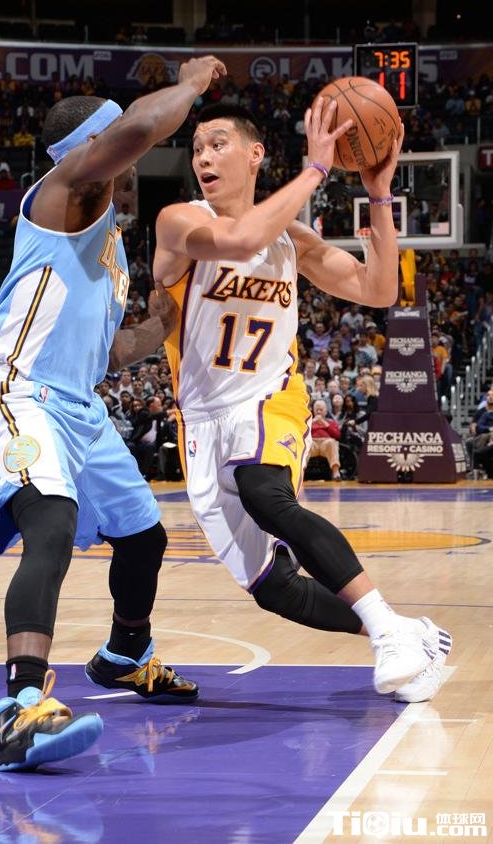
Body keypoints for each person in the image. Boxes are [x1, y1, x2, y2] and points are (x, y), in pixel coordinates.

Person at [0, 55, 227, 772]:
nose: (131, 165)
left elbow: (110, 353)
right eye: (118, 145)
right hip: (16, 389)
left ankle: (125, 654)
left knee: (143, 537)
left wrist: (162, 322)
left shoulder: (107, 244)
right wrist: (192, 83)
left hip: (79, 405)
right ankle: (19, 709)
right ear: (92, 148)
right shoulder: (61, 193)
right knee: (52, 521)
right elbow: (138, 128)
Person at [154, 101, 451, 706]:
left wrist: (378, 195)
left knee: (265, 493)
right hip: (201, 419)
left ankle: (387, 629)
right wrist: (316, 168)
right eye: (197, 148)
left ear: (255, 155)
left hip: (269, 397)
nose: (203, 156)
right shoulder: (179, 221)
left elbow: (379, 289)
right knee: (275, 588)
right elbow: (242, 237)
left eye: (217, 143)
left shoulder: (292, 240)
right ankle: (405, 632)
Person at [308, 398, 341, 481]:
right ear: (313, 411)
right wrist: (312, 422)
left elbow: (337, 435)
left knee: (332, 442)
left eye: (321, 410)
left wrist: (325, 424)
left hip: (326, 443)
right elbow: (301, 433)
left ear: (326, 412)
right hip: (312, 442)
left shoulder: (331, 423)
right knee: (305, 444)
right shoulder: (308, 422)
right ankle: (301, 472)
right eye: (317, 410)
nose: (319, 412)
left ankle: (336, 472)